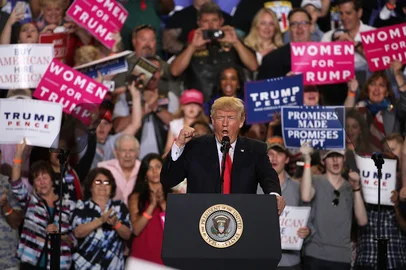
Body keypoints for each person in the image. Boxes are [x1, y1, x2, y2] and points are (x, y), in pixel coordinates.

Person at [160, 96, 285, 214]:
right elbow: (169, 180)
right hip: (200, 219)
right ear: (213, 121)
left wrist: (274, 196)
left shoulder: (255, 149)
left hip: (242, 219)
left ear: (241, 121)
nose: (225, 123)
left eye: (231, 118)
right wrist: (179, 145)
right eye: (220, 118)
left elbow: (268, 176)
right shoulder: (195, 147)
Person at [71, 167, 131, 270]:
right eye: (98, 182)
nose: (103, 185)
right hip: (84, 266)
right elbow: (77, 232)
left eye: (107, 182)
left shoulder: (120, 206)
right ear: (90, 186)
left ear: (112, 187)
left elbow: (127, 235)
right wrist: (101, 220)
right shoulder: (81, 206)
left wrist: (116, 224)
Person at [128, 154, 168, 265]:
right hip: (142, 255)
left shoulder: (174, 195)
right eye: (150, 168)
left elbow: (177, 229)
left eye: (158, 166)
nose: (154, 171)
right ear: (145, 174)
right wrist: (151, 206)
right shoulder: (136, 197)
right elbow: (136, 230)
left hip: (166, 255)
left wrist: (163, 204)